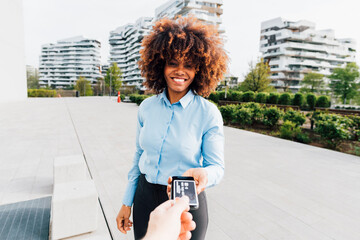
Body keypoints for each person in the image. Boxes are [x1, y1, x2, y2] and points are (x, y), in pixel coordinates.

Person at [116, 15, 228, 240]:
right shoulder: (146, 108)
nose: (180, 71)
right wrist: (127, 203)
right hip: (145, 197)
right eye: (173, 63)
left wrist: (204, 173)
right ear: (160, 64)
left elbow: (217, 167)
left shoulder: (208, 113)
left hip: (185, 202)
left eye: (189, 65)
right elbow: (139, 157)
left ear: (199, 70)